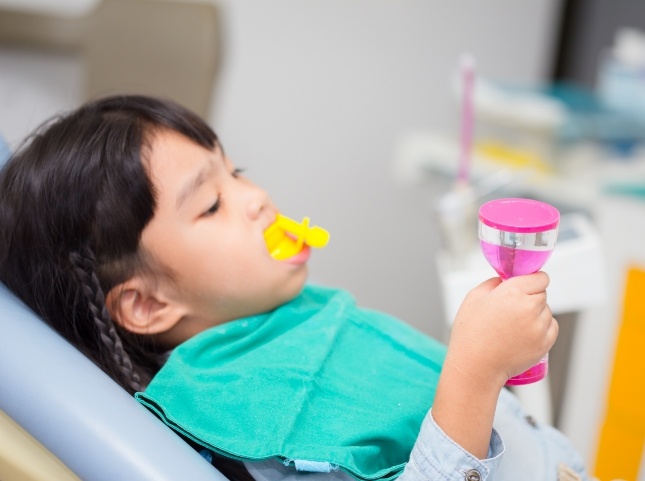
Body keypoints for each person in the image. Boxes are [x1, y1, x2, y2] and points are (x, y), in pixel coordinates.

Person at [0, 95, 589, 481]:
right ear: (148, 303)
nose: (256, 198)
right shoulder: (257, 422)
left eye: (238, 173)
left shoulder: (286, 321)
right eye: (211, 204)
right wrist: (476, 370)